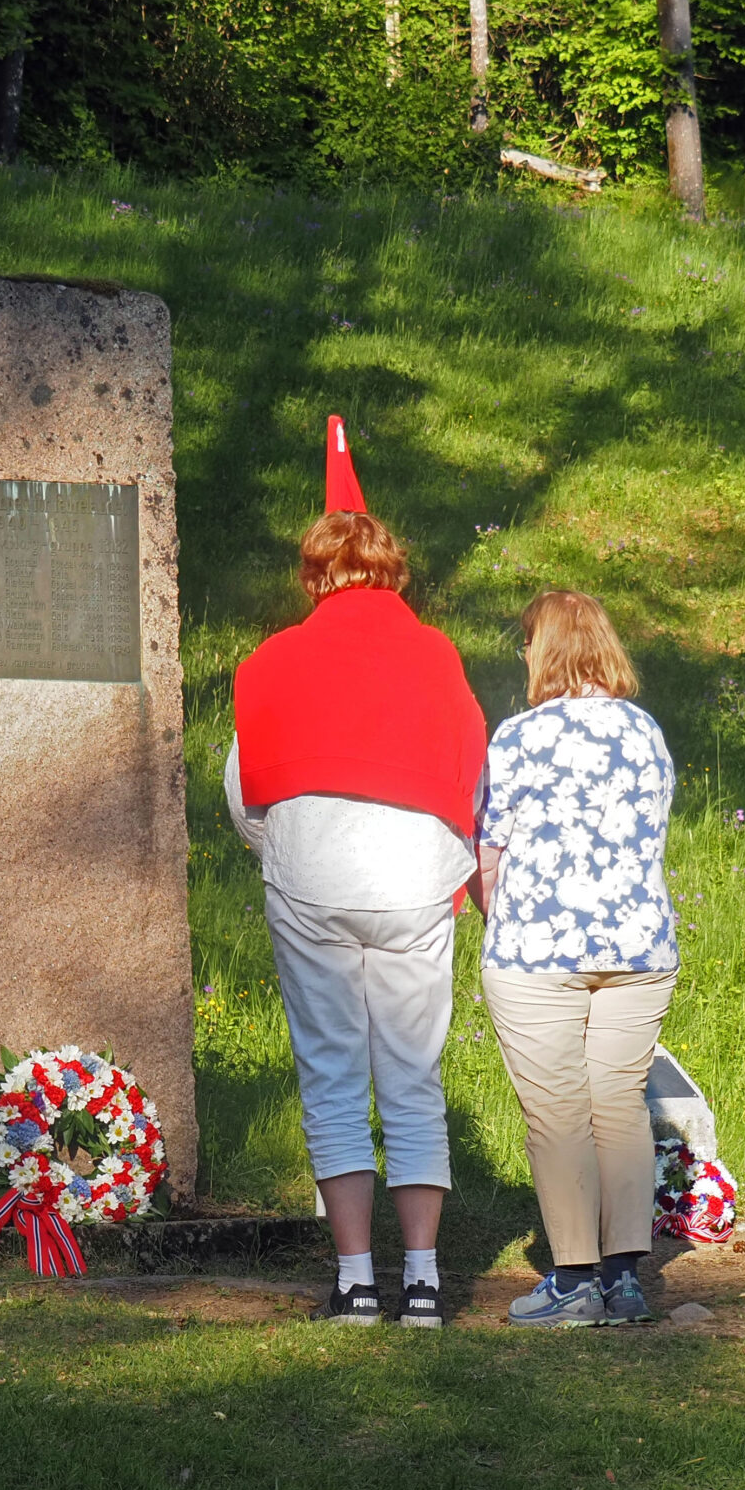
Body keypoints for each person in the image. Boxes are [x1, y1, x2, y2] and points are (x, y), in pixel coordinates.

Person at [225, 425, 486, 1326]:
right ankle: (423, 1278)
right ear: (393, 575)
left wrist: (279, 848)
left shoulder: (273, 660)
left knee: (333, 1072)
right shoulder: (438, 655)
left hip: (312, 871)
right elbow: (471, 771)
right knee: (411, 1072)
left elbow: (243, 788)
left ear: (315, 576)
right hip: (415, 874)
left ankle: (353, 1280)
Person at [473, 590, 679, 1327]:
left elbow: (488, 849)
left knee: (556, 1111)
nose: (523, 655)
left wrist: (505, 918)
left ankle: (573, 1279)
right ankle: (626, 1279)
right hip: (639, 946)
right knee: (619, 1102)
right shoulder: (647, 731)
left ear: (546, 650)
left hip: (538, 949)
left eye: (528, 642)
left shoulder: (518, 737)